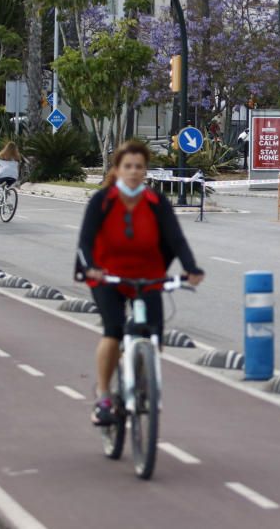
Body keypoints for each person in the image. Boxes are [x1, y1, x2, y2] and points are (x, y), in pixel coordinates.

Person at [74, 140, 204, 426]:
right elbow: (85, 240)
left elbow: (176, 238)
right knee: (114, 331)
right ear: (118, 170)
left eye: (139, 167)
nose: (134, 172)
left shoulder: (156, 202)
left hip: (147, 277)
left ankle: (145, 378)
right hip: (108, 276)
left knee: (154, 334)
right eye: (128, 166)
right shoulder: (103, 201)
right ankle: (104, 394)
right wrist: (92, 268)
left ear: (146, 171)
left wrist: (192, 268)